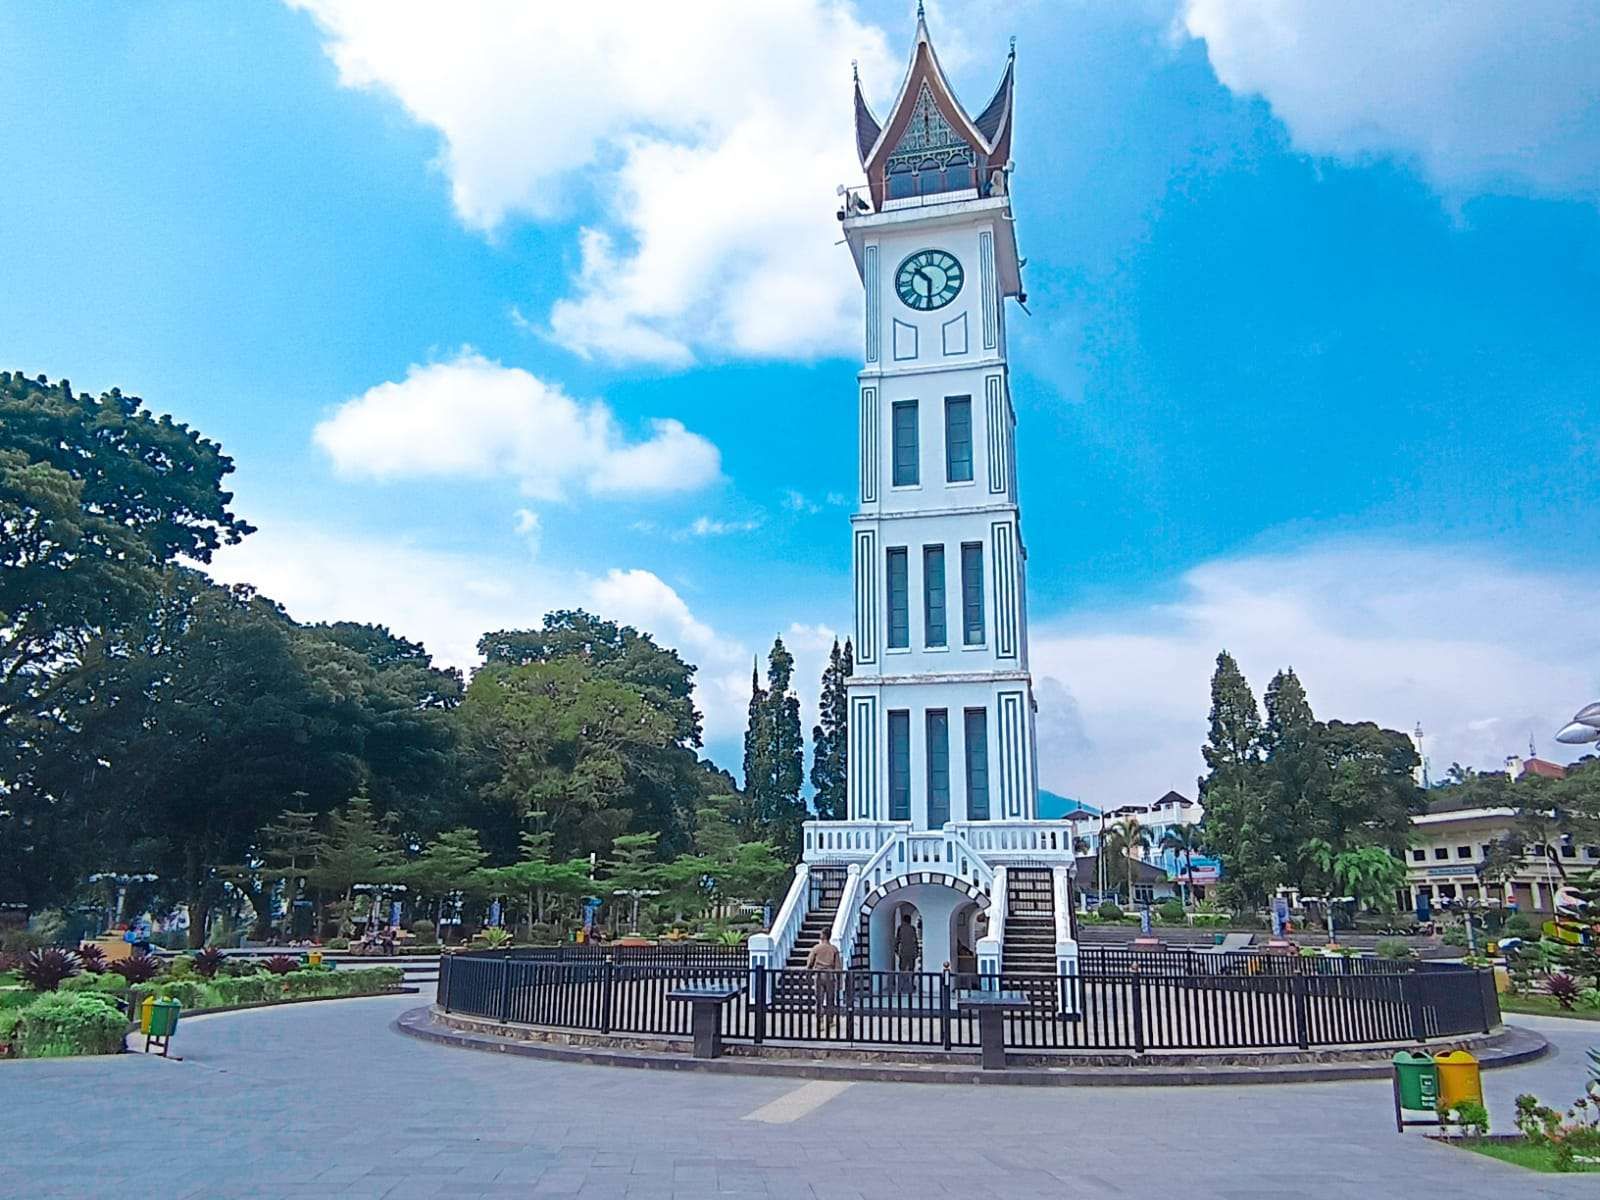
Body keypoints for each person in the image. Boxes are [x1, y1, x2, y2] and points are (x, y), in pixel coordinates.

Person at [805, 929, 843, 1031]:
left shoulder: (816, 948)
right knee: (830, 999)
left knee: (819, 999)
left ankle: (820, 1021)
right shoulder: (834, 949)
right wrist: (839, 981)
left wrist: (808, 974)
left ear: (823, 935)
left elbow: (809, 963)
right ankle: (830, 1020)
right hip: (830, 975)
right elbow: (838, 967)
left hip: (818, 975)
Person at [894, 913, 919, 995]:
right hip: (911, 952)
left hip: (903, 952)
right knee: (911, 969)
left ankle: (901, 987)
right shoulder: (912, 928)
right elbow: (915, 941)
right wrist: (917, 951)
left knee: (902, 969)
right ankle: (910, 986)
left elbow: (897, 940)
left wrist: (896, 949)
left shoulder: (900, 928)